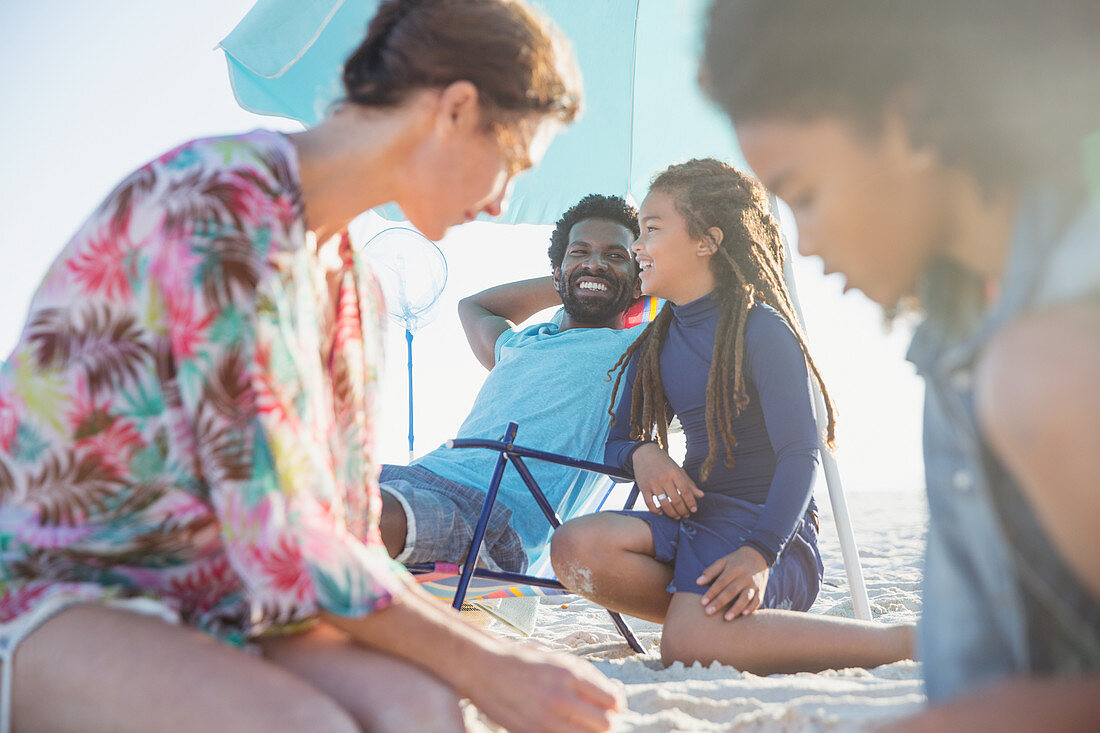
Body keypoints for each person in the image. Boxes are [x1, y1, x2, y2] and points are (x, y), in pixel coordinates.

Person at [0, 1, 627, 731]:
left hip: (228, 602)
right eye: (512, 163)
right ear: (456, 110)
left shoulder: (355, 291)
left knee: (416, 707)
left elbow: (345, 531)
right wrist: (484, 664)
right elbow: (285, 543)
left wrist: (490, 657)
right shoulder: (219, 205)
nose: (498, 202)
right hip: (68, 588)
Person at [701, 0, 1100, 728]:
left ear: (911, 123)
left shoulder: (1052, 361)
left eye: (805, 196)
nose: (808, 246)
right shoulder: (960, 316)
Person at [551, 158, 913, 674]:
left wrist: (760, 555)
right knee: (574, 547)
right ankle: (709, 622)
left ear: (707, 241)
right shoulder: (657, 341)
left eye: (651, 230)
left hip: (767, 538)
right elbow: (619, 438)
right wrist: (646, 453)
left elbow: (801, 453)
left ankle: (902, 640)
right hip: (700, 520)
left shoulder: (760, 329)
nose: (636, 247)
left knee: (686, 648)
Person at [378, 194, 641, 573]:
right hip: (417, 477)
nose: (596, 262)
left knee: (346, 517)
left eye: (616, 256)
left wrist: (601, 278)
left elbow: (712, 314)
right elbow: (472, 306)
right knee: (292, 494)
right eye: (580, 251)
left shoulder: (637, 352)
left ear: (639, 282)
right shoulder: (519, 344)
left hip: (491, 520)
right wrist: (578, 277)